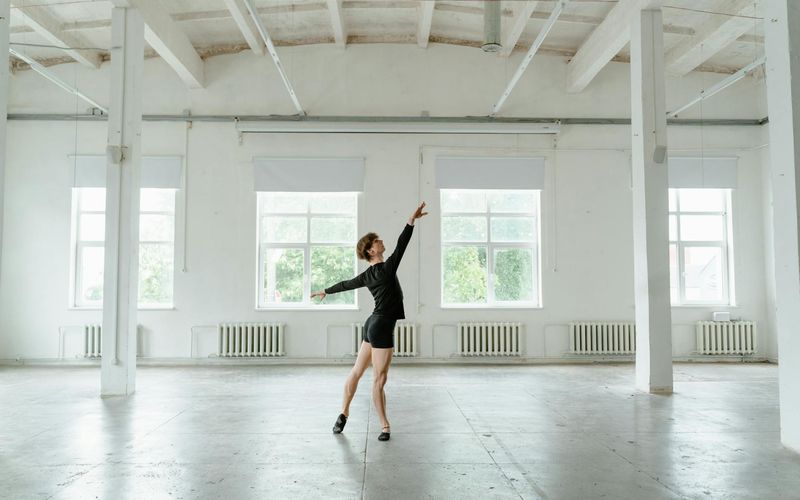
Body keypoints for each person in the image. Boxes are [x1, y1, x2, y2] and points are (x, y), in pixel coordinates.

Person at [311, 202, 428, 442]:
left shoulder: (367, 275)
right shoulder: (386, 268)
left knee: (357, 371)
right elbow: (402, 245)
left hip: (371, 324)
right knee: (379, 379)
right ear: (371, 251)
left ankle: (343, 412)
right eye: (376, 241)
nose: (381, 242)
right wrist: (410, 221)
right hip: (382, 326)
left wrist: (325, 290)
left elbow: (345, 284)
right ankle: (385, 426)